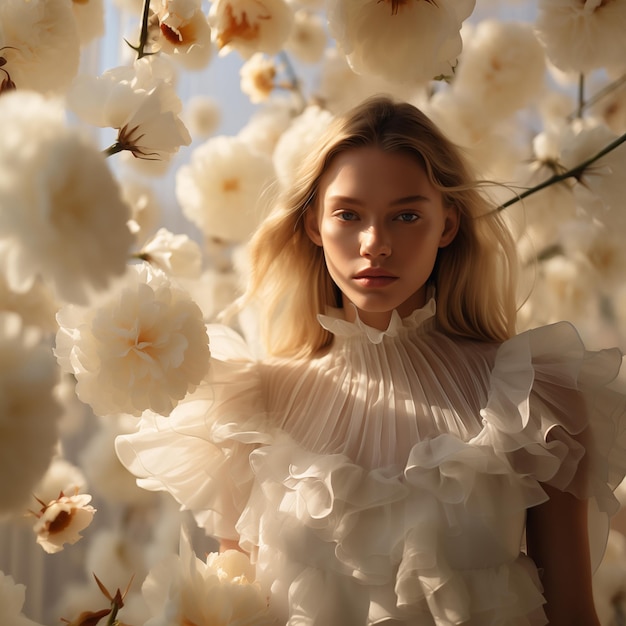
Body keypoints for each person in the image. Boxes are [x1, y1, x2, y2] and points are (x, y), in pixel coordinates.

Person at [116, 96, 626, 625]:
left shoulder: (534, 399)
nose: (375, 244)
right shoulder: (248, 409)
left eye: (406, 215)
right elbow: (235, 608)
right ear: (314, 224)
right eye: (348, 214)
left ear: (447, 225)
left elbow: (572, 614)